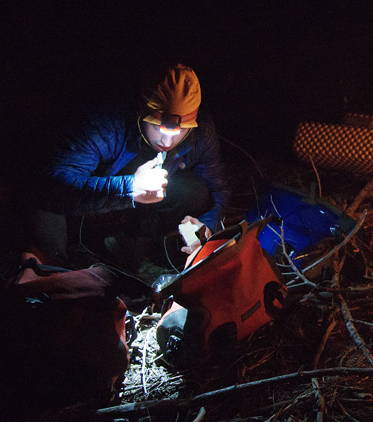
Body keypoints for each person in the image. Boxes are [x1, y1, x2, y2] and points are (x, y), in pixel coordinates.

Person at [28, 64, 230, 279]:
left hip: (135, 212)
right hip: (85, 208)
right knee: (43, 214)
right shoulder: (108, 122)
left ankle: (130, 246)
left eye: (180, 131)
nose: (167, 140)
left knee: (195, 190)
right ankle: (63, 267)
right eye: (157, 127)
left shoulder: (201, 132)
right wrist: (129, 188)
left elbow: (219, 188)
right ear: (142, 112)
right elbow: (53, 187)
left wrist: (208, 227)